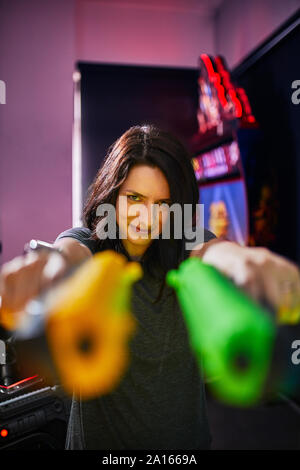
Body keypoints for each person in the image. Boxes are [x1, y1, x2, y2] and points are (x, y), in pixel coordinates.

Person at [0, 124, 299, 450]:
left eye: (162, 203)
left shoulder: (185, 241)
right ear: (112, 193)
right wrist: (50, 266)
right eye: (135, 198)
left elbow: (215, 251)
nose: (147, 217)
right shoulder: (89, 242)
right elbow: (69, 253)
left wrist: (243, 260)